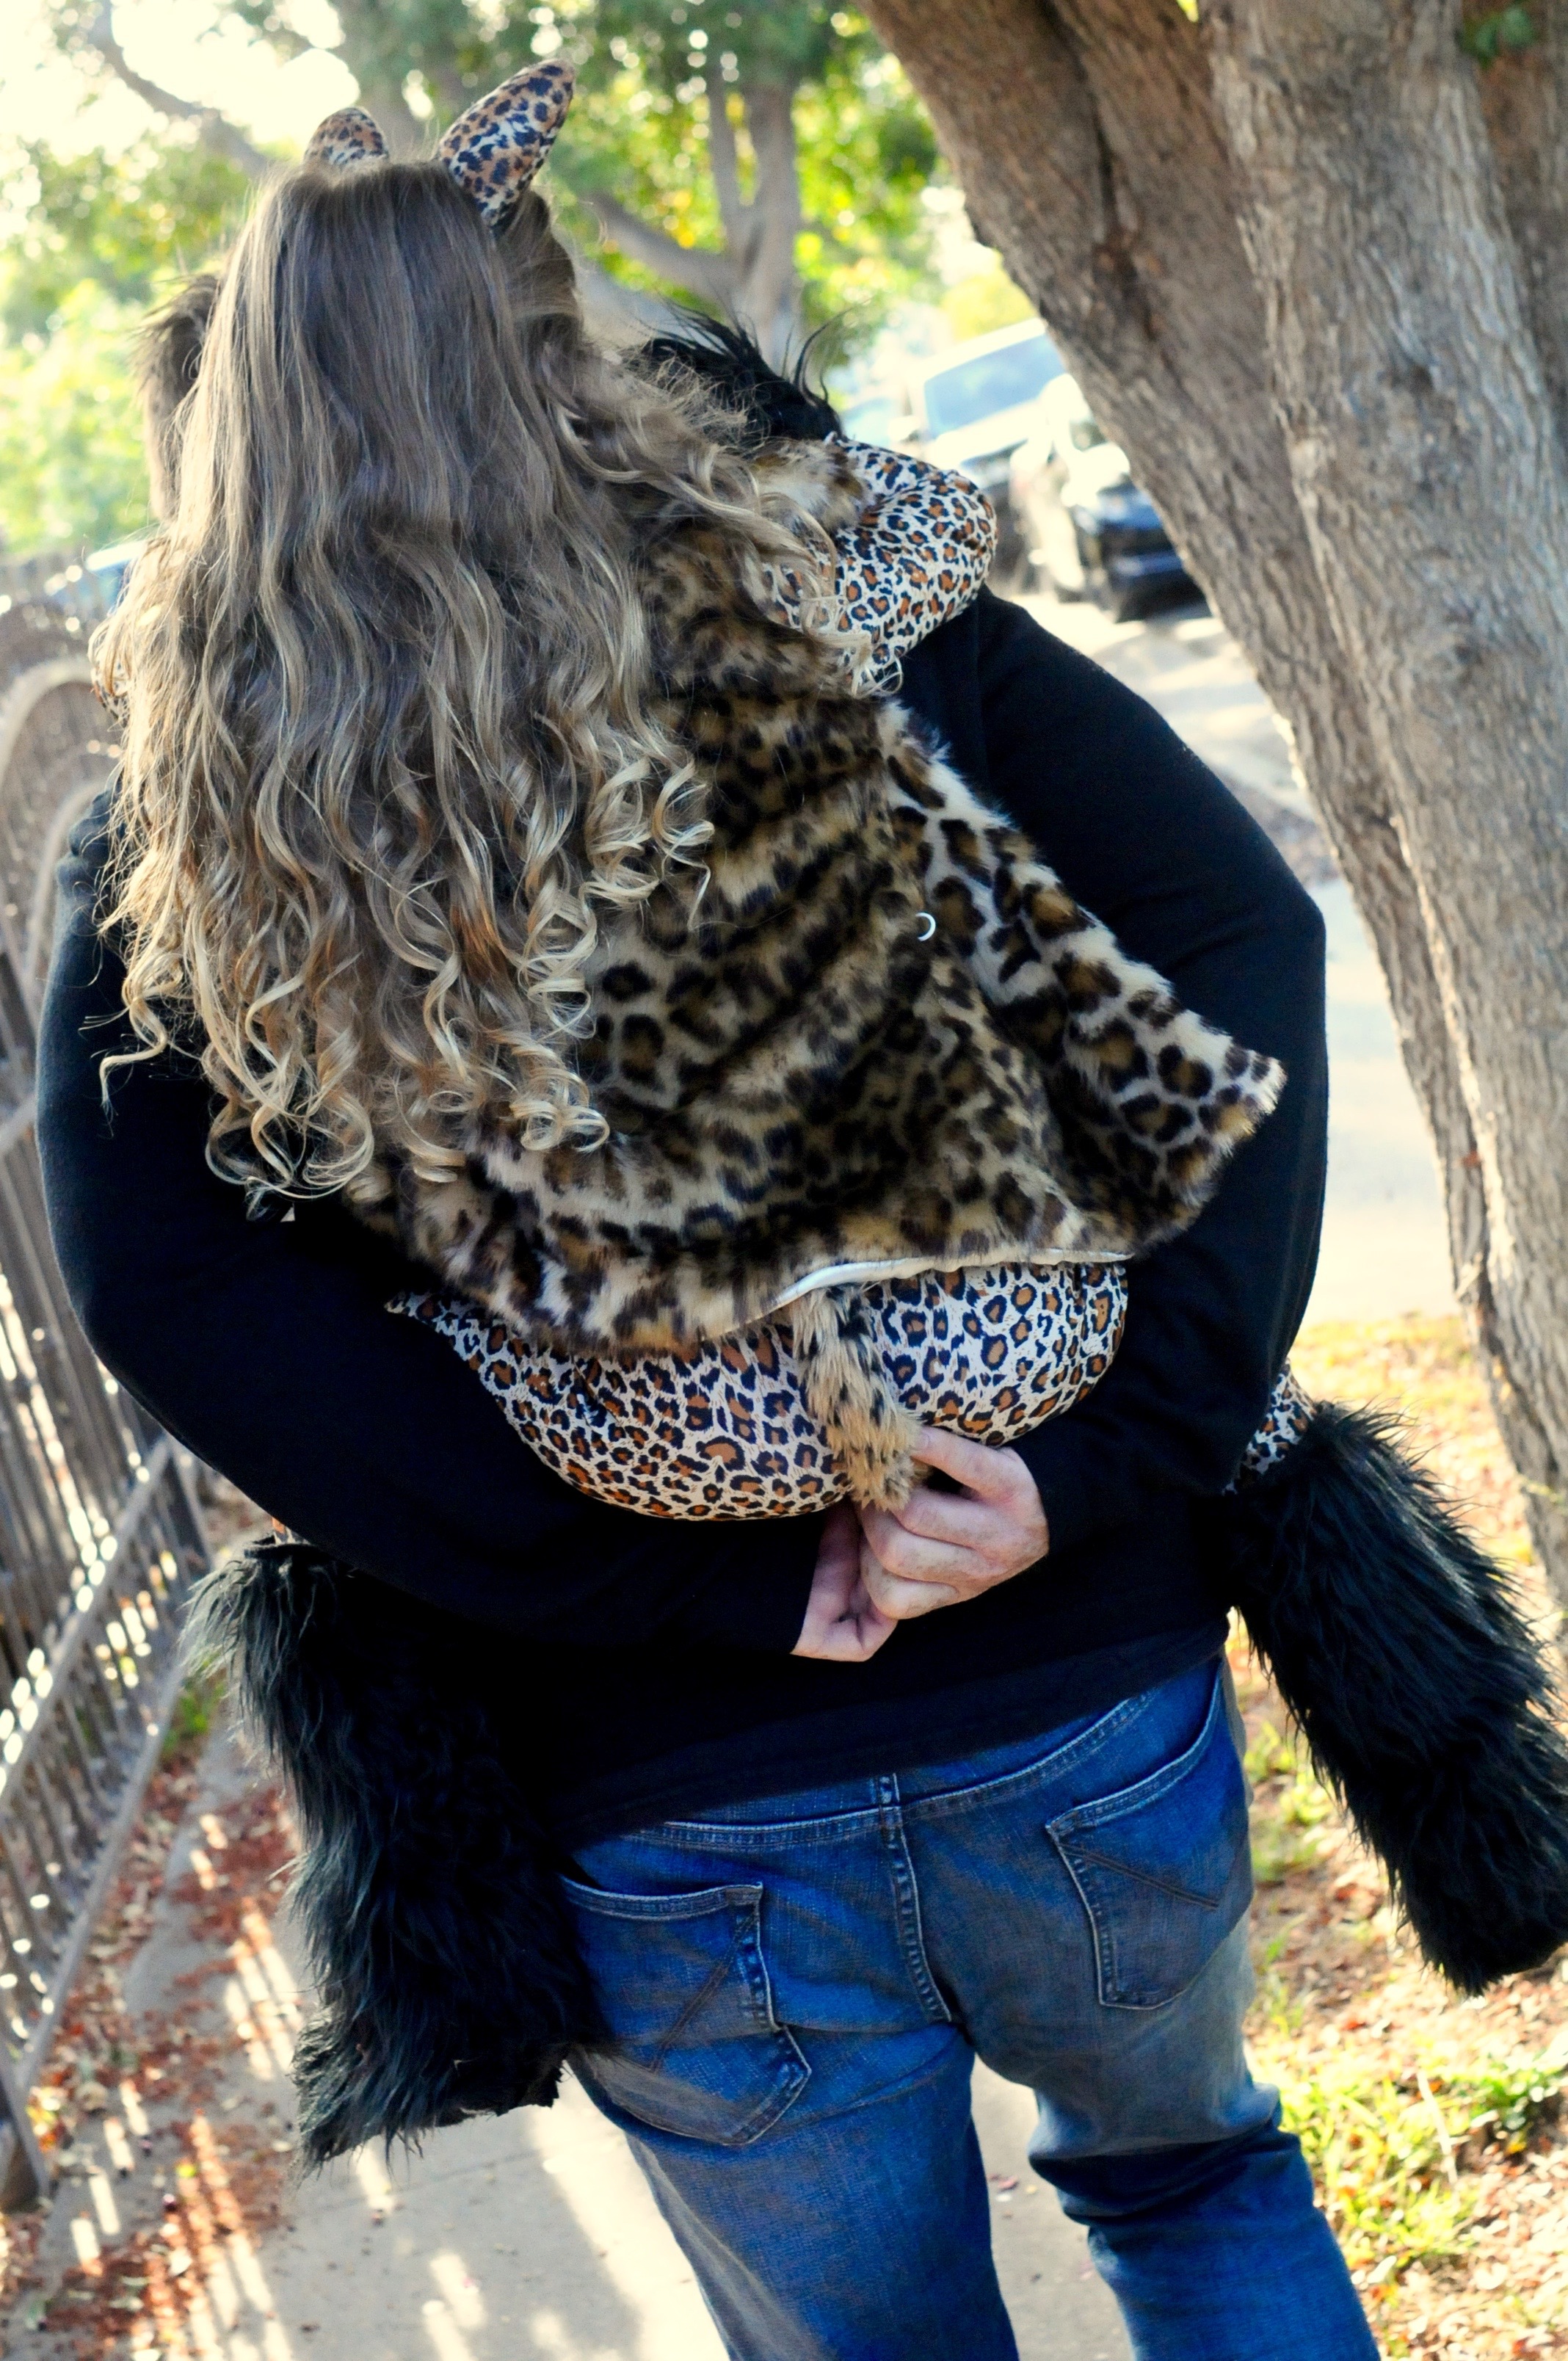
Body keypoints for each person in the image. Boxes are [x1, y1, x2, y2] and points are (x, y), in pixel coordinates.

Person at [37, 68, 1380, 2361]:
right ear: (561, 353)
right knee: (1196, 2186)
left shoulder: (199, 800)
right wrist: (1107, 1451)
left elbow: (171, 1284)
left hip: (664, 1764)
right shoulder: (847, 591)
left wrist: (652, 1575)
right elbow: (1236, 932)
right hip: (1074, 1649)